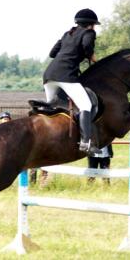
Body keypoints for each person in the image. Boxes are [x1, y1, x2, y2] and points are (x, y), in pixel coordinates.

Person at [43, 8, 101, 154]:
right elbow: (87, 46)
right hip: (66, 76)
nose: (94, 27)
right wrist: (92, 57)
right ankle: (85, 143)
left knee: (52, 108)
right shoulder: (89, 33)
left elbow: (52, 53)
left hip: (49, 76)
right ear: (91, 24)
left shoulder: (67, 34)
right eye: (94, 25)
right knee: (86, 105)